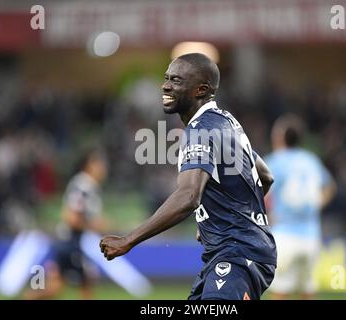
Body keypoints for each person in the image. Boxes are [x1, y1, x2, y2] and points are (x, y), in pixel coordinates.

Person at [100, 53, 277, 300]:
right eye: (166, 78)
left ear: (200, 90)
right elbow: (265, 176)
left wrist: (128, 240)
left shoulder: (201, 129)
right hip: (237, 250)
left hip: (237, 254)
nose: (166, 86)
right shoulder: (226, 122)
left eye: (176, 80)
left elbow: (188, 196)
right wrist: (220, 217)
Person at [264, 114, 336, 299]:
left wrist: (267, 216)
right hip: (311, 235)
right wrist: (315, 204)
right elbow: (329, 187)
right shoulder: (310, 160)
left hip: (284, 234)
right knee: (307, 291)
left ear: (280, 138)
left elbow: (259, 192)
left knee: (280, 291)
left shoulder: (275, 161)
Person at [25, 148, 109, 299]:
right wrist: (93, 225)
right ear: (89, 165)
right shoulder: (84, 186)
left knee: (55, 288)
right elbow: (71, 217)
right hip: (69, 242)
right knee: (87, 280)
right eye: (99, 164)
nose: (103, 168)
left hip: (68, 241)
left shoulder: (88, 185)